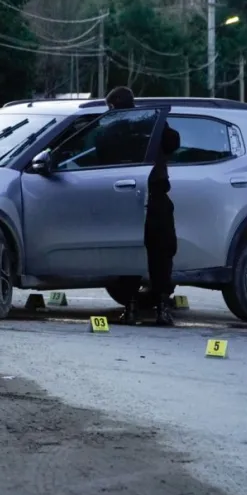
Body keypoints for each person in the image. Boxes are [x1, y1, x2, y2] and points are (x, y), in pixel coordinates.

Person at [104, 86, 181, 326]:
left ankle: (131, 307)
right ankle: (161, 308)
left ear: (114, 107)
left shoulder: (114, 129)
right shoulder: (154, 124)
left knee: (126, 251)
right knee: (161, 253)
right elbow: (174, 142)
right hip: (156, 196)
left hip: (126, 198)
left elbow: (100, 150)